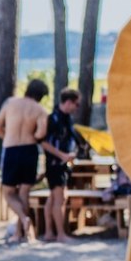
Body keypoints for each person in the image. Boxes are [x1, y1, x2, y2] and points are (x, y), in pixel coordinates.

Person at [0, 79, 49, 245]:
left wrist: (8, 138)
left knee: (8, 193)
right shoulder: (40, 110)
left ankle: (23, 220)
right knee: (24, 193)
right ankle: (21, 232)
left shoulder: (11, 103)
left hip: (11, 149)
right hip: (29, 151)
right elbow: (40, 134)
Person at [38, 88, 82, 243]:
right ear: (68, 102)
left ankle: (49, 232)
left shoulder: (66, 119)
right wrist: (61, 155)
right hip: (55, 164)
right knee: (59, 199)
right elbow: (42, 141)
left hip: (63, 163)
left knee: (52, 198)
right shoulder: (53, 118)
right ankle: (61, 234)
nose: (77, 108)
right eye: (76, 104)